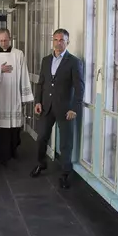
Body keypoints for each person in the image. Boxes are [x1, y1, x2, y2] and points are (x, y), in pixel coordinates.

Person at [30, 29, 84, 189]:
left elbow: (79, 87)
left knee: (66, 144)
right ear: (52, 41)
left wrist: (75, 107)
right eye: (56, 39)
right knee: (41, 138)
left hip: (66, 109)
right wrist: (38, 102)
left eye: (62, 40)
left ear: (68, 42)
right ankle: (41, 164)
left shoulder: (74, 62)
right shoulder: (46, 60)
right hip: (46, 107)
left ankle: (66, 173)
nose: (58, 43)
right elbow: (41, 83)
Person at [0, 28, 33, 165]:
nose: (3, 43)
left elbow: (24, 74)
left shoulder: (18, 54)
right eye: (1, 40)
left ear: (10, 38)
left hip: (13, 95)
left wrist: (25, 96)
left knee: (13, 126)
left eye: (6, 40)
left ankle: (12, 152)